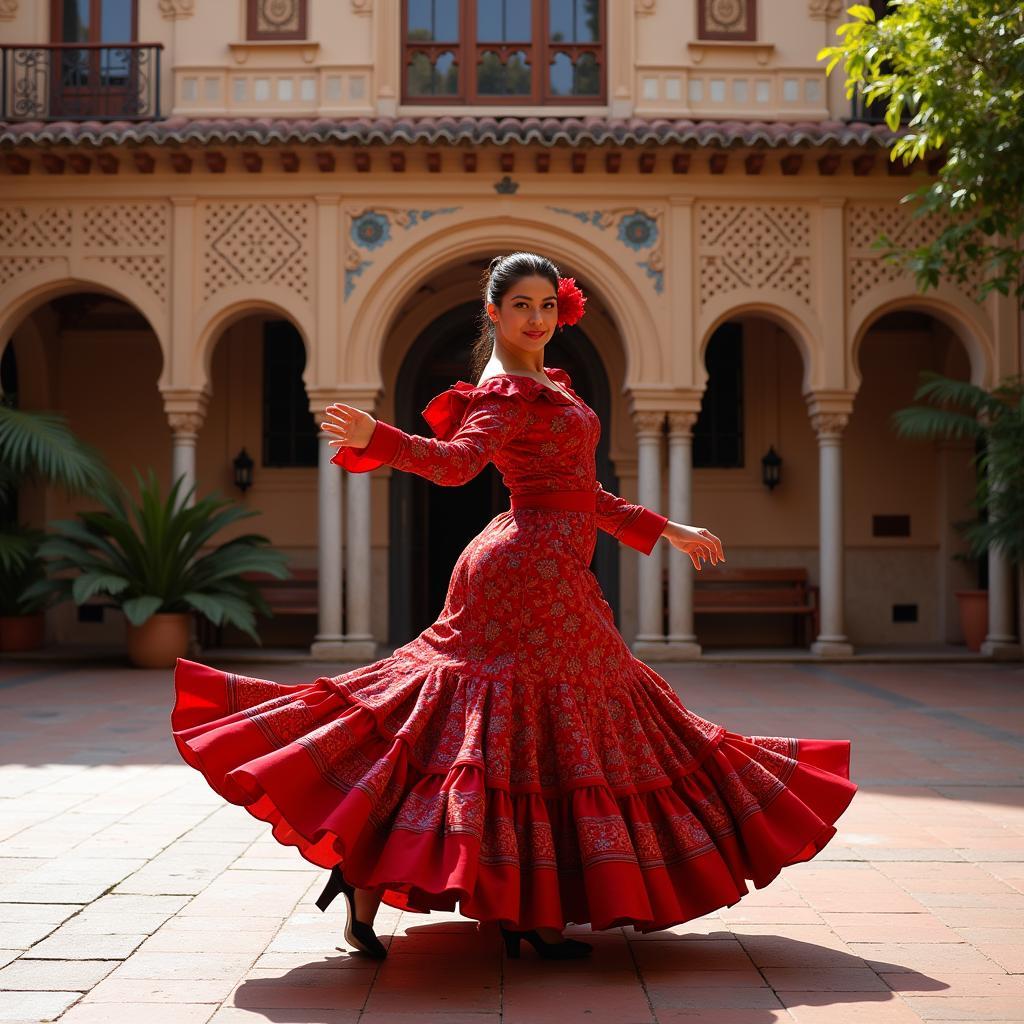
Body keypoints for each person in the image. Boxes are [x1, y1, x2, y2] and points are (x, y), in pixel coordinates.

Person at [171, 251, 857, 963]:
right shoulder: (503, 392)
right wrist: (377, 439)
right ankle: (504, 906)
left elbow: (582, 494)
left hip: (550, 568)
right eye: (522, 306)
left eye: (547, 306)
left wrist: (667, 530)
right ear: (494, 313)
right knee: (522, 723)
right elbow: (455, 465)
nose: (537, 319)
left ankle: (399, 880)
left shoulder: (545, 386)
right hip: (522, 572)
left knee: (522, 725)